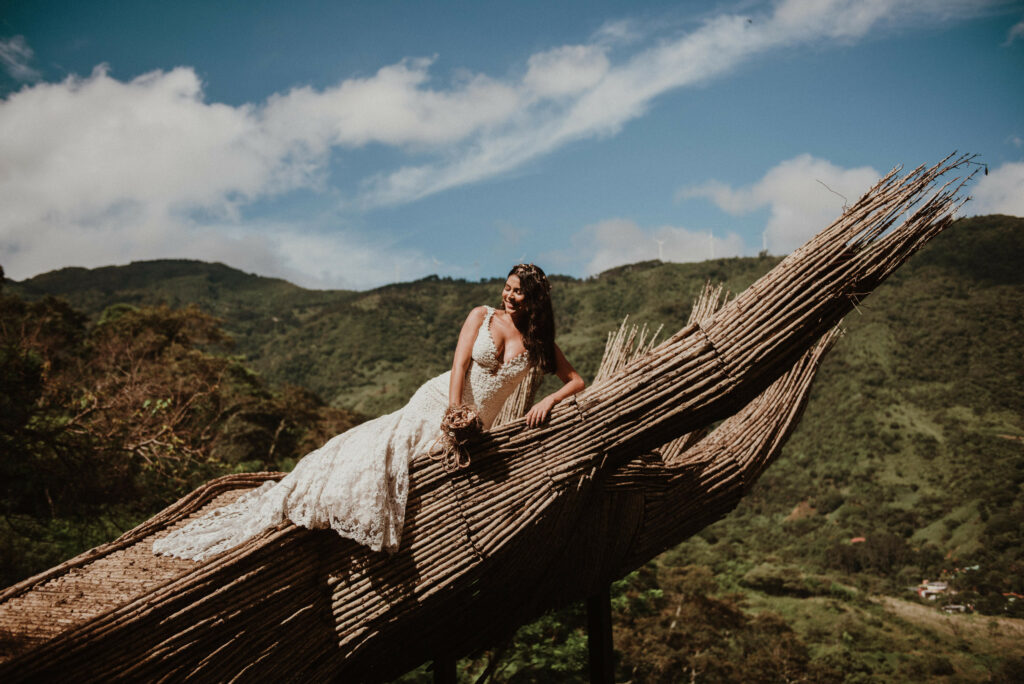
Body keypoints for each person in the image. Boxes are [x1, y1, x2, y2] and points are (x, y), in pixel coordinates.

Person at [153, 264, 584, 561]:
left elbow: (576, 380)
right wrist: (453, 413)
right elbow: (458, 367)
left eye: (518, 292)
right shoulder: (482, 315)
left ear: (534, 300)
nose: (509, 296)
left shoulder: (539, 343)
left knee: (419, 473)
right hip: (440, 403)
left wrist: (547, 400)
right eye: (507, 287)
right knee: (384, 453)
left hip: (478, 428)